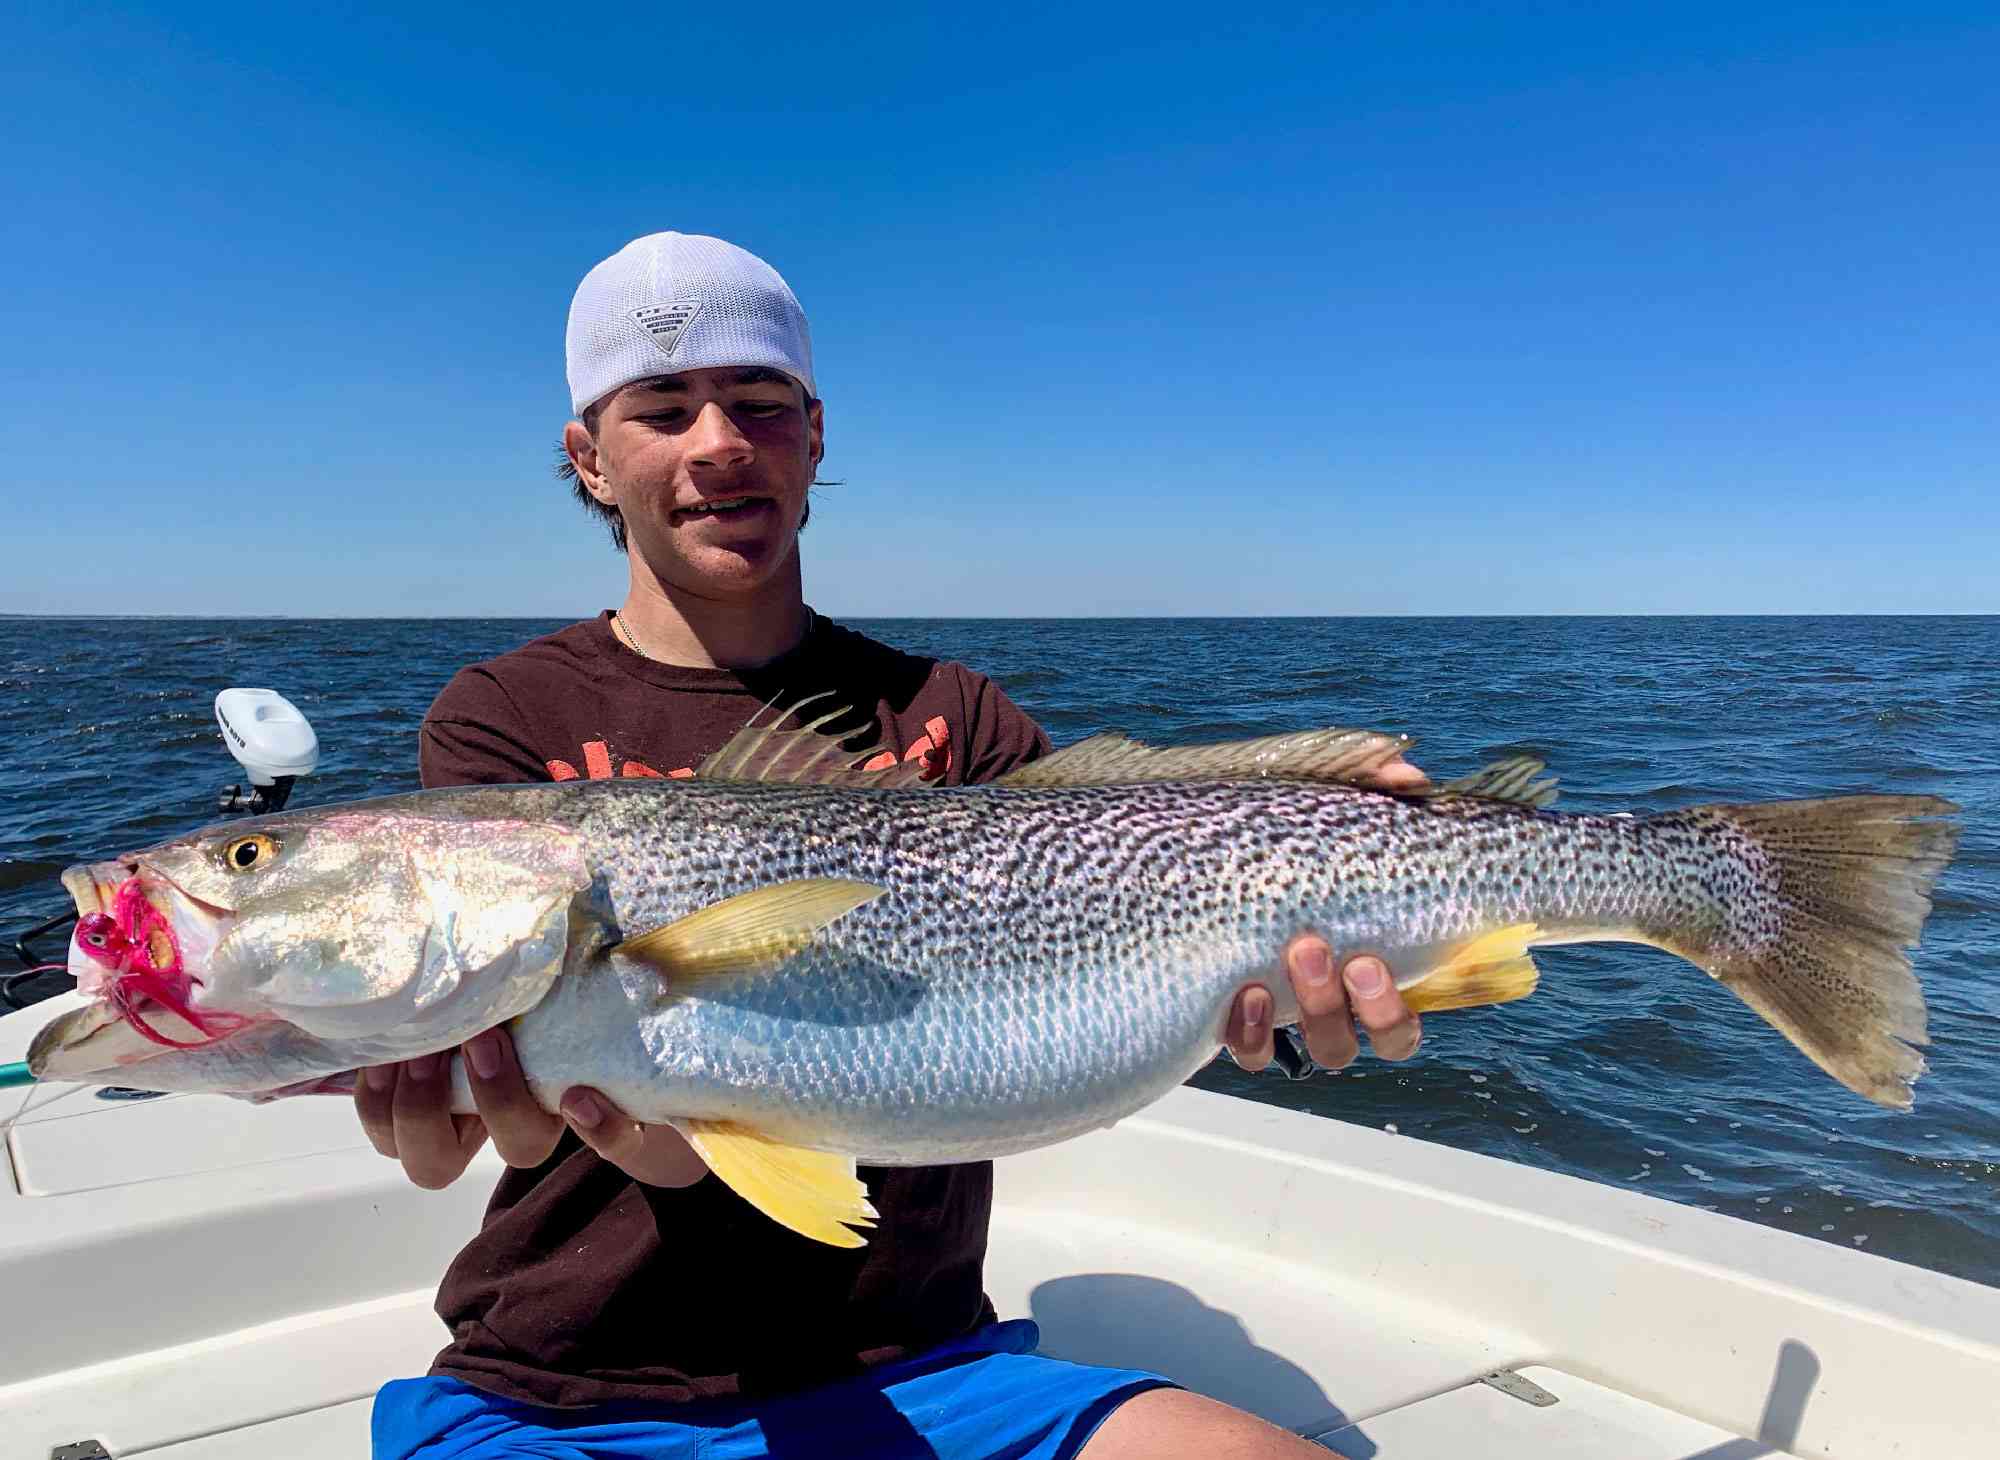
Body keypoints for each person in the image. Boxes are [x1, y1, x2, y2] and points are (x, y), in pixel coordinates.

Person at [359, 232, 1425, 1459]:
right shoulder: (500, 716)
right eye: (662, 410)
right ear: (589, 460)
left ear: (814, 436)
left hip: (927, 1364)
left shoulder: (949, 716)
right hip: (566, 1386)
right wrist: (452, 1101)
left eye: (758, 405)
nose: (718, 442)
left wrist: (1298, 1019)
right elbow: (520, 1094)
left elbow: (1142, 923)